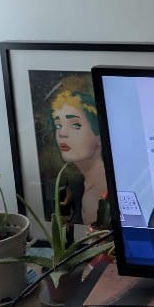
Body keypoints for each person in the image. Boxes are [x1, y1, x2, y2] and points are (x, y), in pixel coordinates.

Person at [50, 83, 107, 226]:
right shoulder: (85, 185)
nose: (62, 133)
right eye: (58, 125)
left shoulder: (97, 199)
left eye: (75, 125)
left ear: (100, 136)